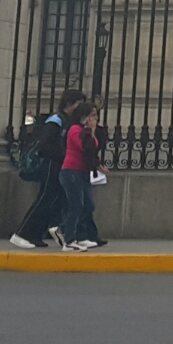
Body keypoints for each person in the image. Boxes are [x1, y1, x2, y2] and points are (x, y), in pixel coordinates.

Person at [11, 89, 84, 248]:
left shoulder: (67, 120)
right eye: (78, 103)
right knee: (44, 199)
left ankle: (36, 234)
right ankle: (22, 233)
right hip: (51, 163)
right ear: (70, 103)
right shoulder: (56, 120)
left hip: (59, 164)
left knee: (52, 201)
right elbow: (45, 144)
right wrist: (62, 154)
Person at [49, 102, 106, 252]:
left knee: (89, 205)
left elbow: (94, 149)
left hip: (83, 172)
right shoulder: (74, 130)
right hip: (71, 171)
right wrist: (90, 131)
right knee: (76, 205)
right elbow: (85, 147)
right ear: (84, 117)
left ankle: (64, 229)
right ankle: (69, 240)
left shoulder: (87, 132)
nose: (95, 119)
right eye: (92, 116)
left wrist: (99, 166)